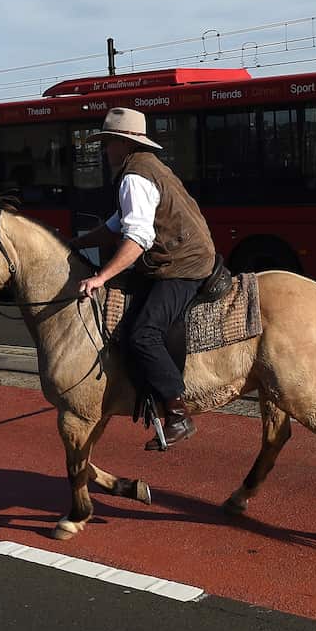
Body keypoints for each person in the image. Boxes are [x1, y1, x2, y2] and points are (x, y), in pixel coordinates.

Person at [72, 107, 215, 449]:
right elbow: (114, 226)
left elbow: (137, 238)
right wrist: (76, 243)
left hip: (182, 266)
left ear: (124, 144)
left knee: (142, 333)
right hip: (187, 256)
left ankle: (178, 412)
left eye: (108, 143)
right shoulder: (147, 168)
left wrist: (100, 277)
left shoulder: (134, 176)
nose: (105, 150)